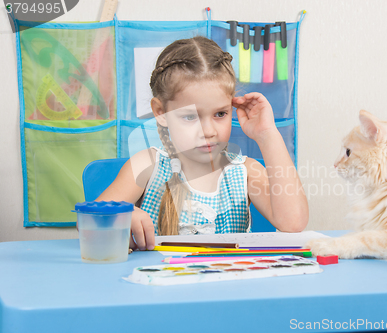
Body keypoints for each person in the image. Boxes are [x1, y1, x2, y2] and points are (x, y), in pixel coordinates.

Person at [97, 36, 308, 250]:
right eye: (190, 117)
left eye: (220, 113)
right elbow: (88, 220)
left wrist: (267, 134)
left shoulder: (246, 171)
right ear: (161, 112)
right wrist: (120, 214)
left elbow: (293, 223)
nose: (208, 131)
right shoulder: (146, 165)